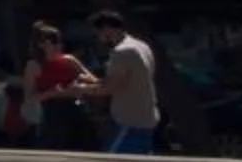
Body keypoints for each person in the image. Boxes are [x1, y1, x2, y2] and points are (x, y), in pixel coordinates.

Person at [43, 9, 159, 153]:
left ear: (107, 29)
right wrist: (91, 82)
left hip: (129, 123)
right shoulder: (141, 46)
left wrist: (79, 89)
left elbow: (108, 89)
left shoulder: (122, 52)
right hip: (146, 119)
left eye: (98, 34)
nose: (98, 39)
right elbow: (124, 82)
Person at [18, 22, 92, 150]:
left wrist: (80, 85)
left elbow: (91, 80)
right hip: (52, 114)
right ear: (41, 45)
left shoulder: (69, 60)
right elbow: (29, 97)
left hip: (75, 108)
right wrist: (51, 93)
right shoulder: (33, 66)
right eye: (54, 42)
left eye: (59, 42)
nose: (59, 46)